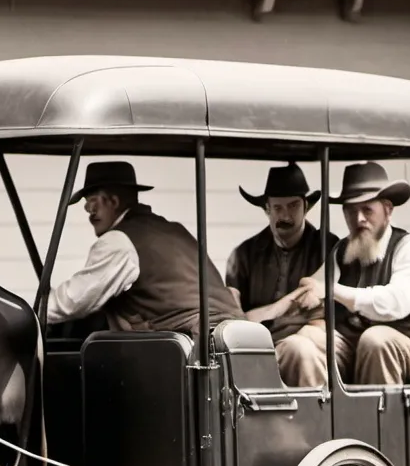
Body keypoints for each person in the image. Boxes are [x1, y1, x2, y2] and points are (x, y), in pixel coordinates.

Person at [45, 161, 242, 337]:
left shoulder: (118, 241)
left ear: (114, 202)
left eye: (93, 204)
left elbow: (73, 301)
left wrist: (31, 312)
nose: (90, 213)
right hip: (235, 336)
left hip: (194, 346)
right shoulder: (173, 229)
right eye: (87, 207)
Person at [294, 162, 410, 386]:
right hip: (357, 344)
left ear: (388, 209)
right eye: (351, 211)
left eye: (367, 210)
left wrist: (330, 290)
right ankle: (321, 417)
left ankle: (378, 421)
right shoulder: (344, 251)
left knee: (376, 340)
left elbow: (393, 304)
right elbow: (311, 288)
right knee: (303, 341)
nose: (358, 219)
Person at [225, 162, 338, 386]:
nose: (285, 215)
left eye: (293, 205)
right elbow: (232, 319)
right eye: (277, 208)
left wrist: (261, 316)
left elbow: (329, 314)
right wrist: (283, 306)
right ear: (266, 209)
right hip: (257, 349)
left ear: (306, 206)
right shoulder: (244, 254)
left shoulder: (328, 247)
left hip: (311, 347)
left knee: (301, 349)